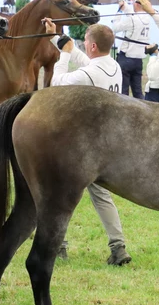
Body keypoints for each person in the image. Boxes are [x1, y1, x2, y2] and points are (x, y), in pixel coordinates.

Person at [41, 19, 133, 266]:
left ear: (92, 46)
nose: (84, 45)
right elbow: (84, 61)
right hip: (106, 143)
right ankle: (118, 246)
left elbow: (57, 82)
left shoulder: (90, 73)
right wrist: (57, 37)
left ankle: (57, 245)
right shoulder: (112, 64)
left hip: (84, 144)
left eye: (86, 43)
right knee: (102, 195)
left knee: (59, 193)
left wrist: (63, 55)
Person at [112, 0, 151, 100]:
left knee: (123, 93)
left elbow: (115, 28)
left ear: (138, 4)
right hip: (138, 60)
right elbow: (128, 9)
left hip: (126, 59)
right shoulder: (147, 18)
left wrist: (118, 12)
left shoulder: (132, 19)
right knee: (138, 92)